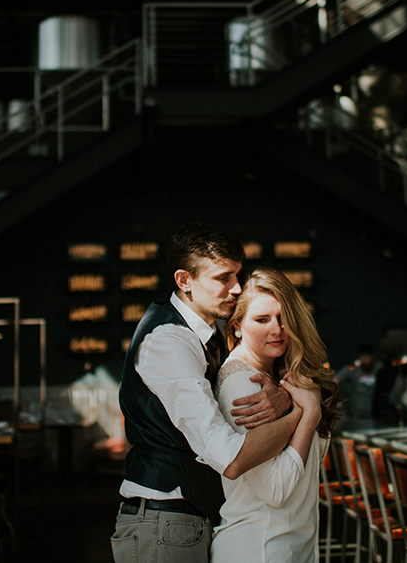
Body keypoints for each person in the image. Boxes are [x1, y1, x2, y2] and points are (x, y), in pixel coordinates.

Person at [111, 223, 298, 563]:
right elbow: (228, 456)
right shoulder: (168, 341)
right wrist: (302, 413)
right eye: (223, 278)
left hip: (181, 522)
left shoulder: (209, 335)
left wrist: (284, 395)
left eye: (238, 276)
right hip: (163, 522)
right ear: (185, 281)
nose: (237, 288)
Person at [211, 267, 340, 563]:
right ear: (236, 326)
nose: (276, 329)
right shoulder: (242, 383)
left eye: (283, 319)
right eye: (262, 319)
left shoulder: (283, 378)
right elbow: (275, 489)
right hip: (260, 547)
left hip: (288, 545)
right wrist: (309, 414)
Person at [333, 343, 379, 428]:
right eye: (363, 356)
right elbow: (335, 380)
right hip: (356, 413)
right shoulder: (353, 369)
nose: (366, 360)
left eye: (368, 356)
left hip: (373, 414)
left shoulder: (378, 369)